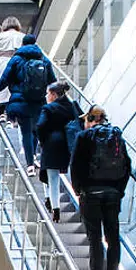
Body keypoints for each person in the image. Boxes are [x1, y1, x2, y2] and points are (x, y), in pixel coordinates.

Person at [69, 105, 132, 270]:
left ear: (90, 120)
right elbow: (127, 165)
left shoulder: (84, 137)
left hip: (90, 192)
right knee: (113, 236)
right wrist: (119, 190)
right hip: (113, 193)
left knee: (95, 236)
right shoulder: (116, 137)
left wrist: (78, 189)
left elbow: (76, 165)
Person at [0, 33, 54, 171]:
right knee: (35, 131)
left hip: (20, 101)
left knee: (26, 132)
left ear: (22, 44)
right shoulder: (44, 60)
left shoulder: (16, 59)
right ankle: (33, 156)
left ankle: (29, 165)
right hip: (38, 101)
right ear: (35, 43)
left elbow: (3, 81)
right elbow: (52, 80)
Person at [34, 82, 83, 222]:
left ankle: (55, 207)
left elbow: (40, 126)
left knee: (52, 176)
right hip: (68, 144)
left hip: (51, 143)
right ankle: (52, 202)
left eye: (48, 93)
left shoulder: (48, 108)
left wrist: (42, 140)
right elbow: (80, 120)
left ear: (54, 95)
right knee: (60, 173)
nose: (46, 95)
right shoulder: (72, 105)